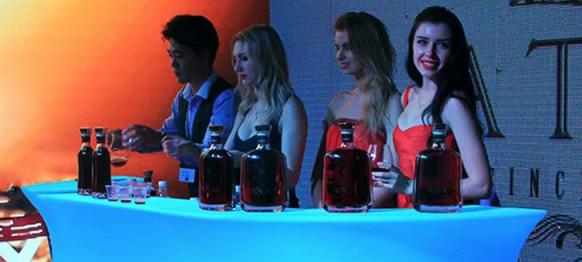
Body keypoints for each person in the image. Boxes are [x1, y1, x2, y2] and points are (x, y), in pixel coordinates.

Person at [373, 6, 490, 207]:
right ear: (412, 45)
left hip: (438, 217)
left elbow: (481, 185)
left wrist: (412, 186)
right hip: (406, 215)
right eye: (422, 42)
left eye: (442, 45)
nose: (430, 52)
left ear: (453, 52)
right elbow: (396, 169)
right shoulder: (407, 97)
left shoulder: (452, 105)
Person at [123, 15, 236, 196]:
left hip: (220, 196)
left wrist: (171, 144)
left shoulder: (225, 98)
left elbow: (214, 155)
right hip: (195, 194)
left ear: (203, 56)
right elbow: (168, 135)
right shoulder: (182, 98)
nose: (173, 63)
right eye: (171, 55)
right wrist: (141, 139)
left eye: (179, 55)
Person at [311, 12, 402, 208]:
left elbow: (393, 174)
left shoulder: (390, 102)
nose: (339, 56)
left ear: (367, 48)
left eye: (347, 47)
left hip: (372, 213)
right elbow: (319, 173)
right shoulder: (336, 104)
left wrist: (356, 207)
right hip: (333, 213)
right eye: (337, 48)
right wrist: (323, 207)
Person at [225, 25, 307, 208]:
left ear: (265, 58)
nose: (237, 67)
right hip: (244, 209)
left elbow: (290, 178)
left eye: (244, 59)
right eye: (235, 60)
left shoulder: (289, 107)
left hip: (275, 211)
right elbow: (225, 158)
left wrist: (244, 160)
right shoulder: (245, 109)